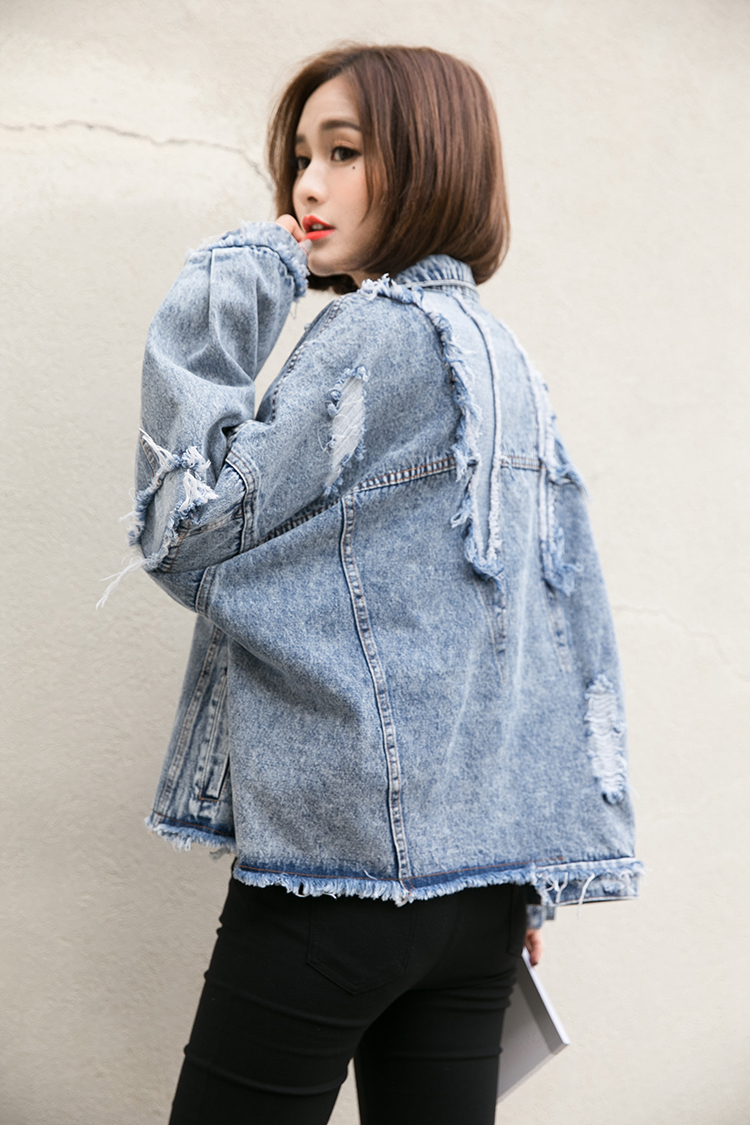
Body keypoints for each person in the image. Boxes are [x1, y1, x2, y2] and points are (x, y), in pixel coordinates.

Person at [122, 44, 640, 1125]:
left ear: (429, 159)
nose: (306, 187)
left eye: (344, 152)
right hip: (480, 899)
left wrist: (224, 295)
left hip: (337, 886)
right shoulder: (507, 359)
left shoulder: (371, 335)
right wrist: (520, 868)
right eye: (301, 157)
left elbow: (189, 531)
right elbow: (547, 626)